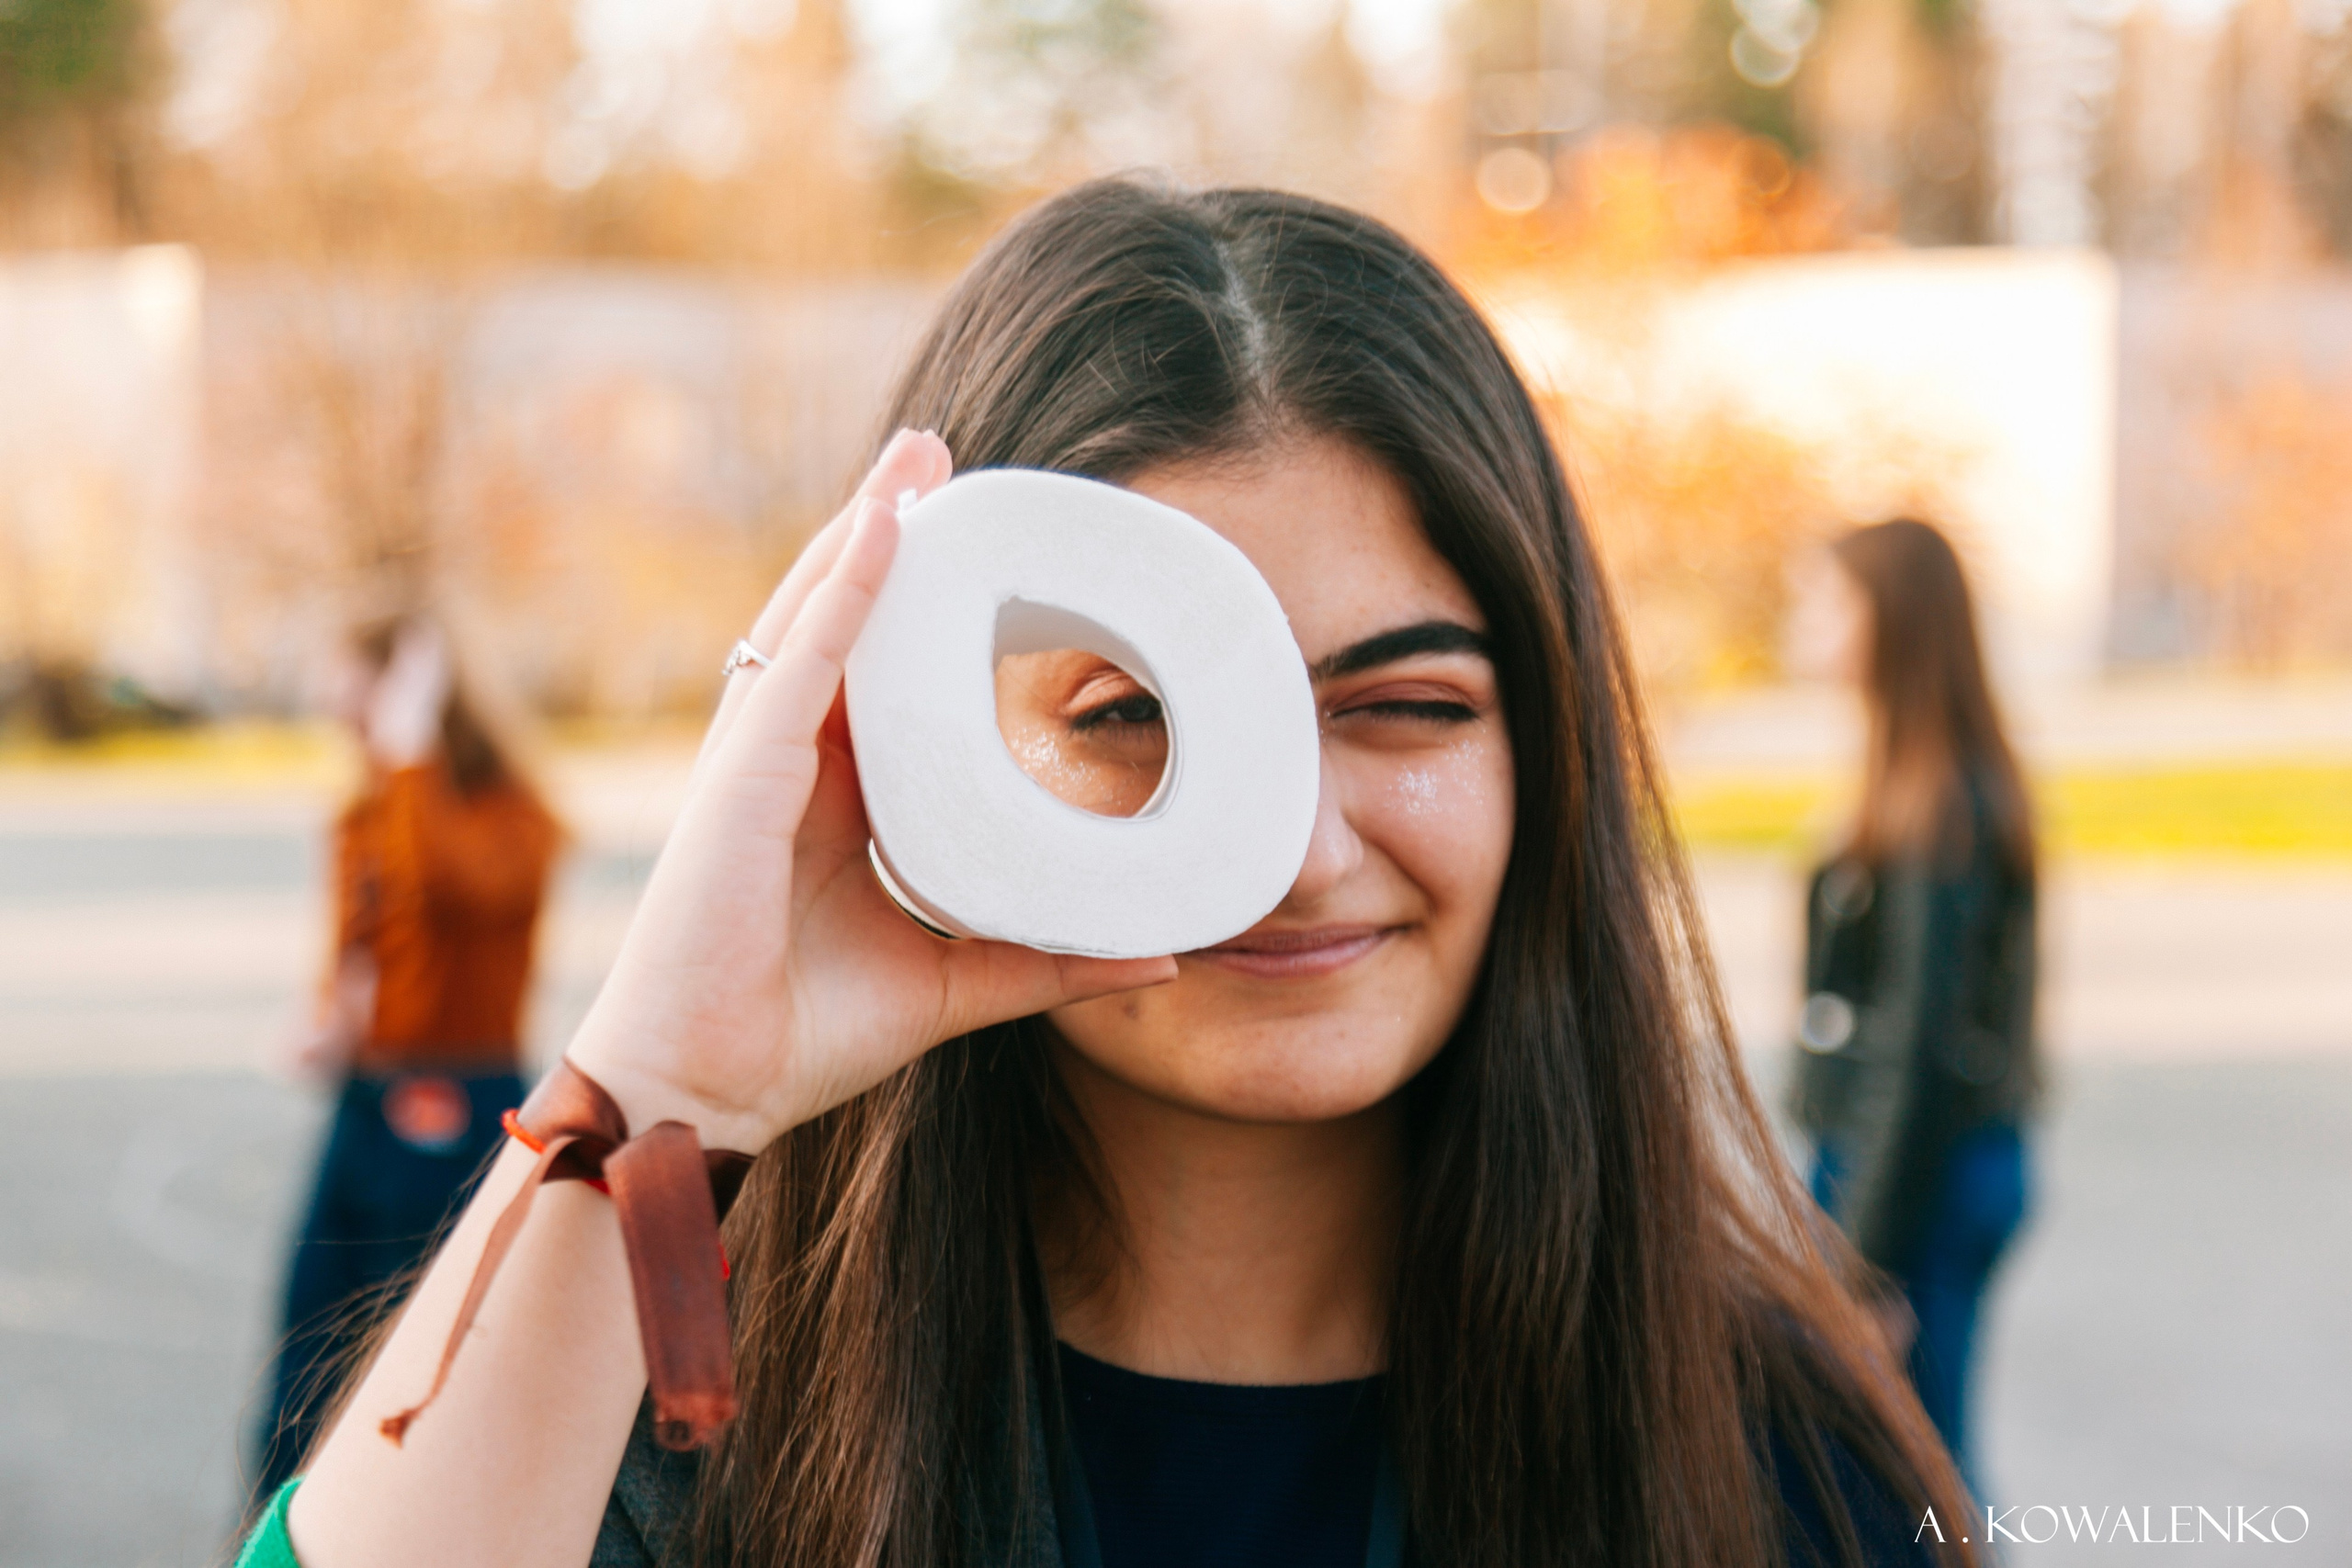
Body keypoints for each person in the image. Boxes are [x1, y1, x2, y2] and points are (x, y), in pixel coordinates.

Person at [238, 181, 1976, 1568]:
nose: (1297, 851)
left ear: (1551, 755)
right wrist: (662, 1080)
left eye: (1408, 704)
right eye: (1127, 712)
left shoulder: (1768, 1461)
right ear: (922, 739)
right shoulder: (682, 1415)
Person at [251, 615, 562, 1502]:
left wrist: (414, 749)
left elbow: (455, 886)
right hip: (365, 1097)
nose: (326, 694)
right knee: (303, 1346)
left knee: (422, 1363)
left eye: (346, 672)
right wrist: (331, 1021)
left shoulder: (512, 813)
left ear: (406, 686)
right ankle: (284, 1532)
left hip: (459, 1099)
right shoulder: (368, 804)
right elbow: (365, 946)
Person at [1783, 520, 2040, 1498]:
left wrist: (1866, 1260)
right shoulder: (1909, 777)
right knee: (1914, 1461)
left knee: (1920, 1474)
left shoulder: (1938, 802)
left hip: (1914, 1176)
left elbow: (1916, 1047)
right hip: (1919, 1165)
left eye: (1825, 598)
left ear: (1888, 621)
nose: (1802, 619)